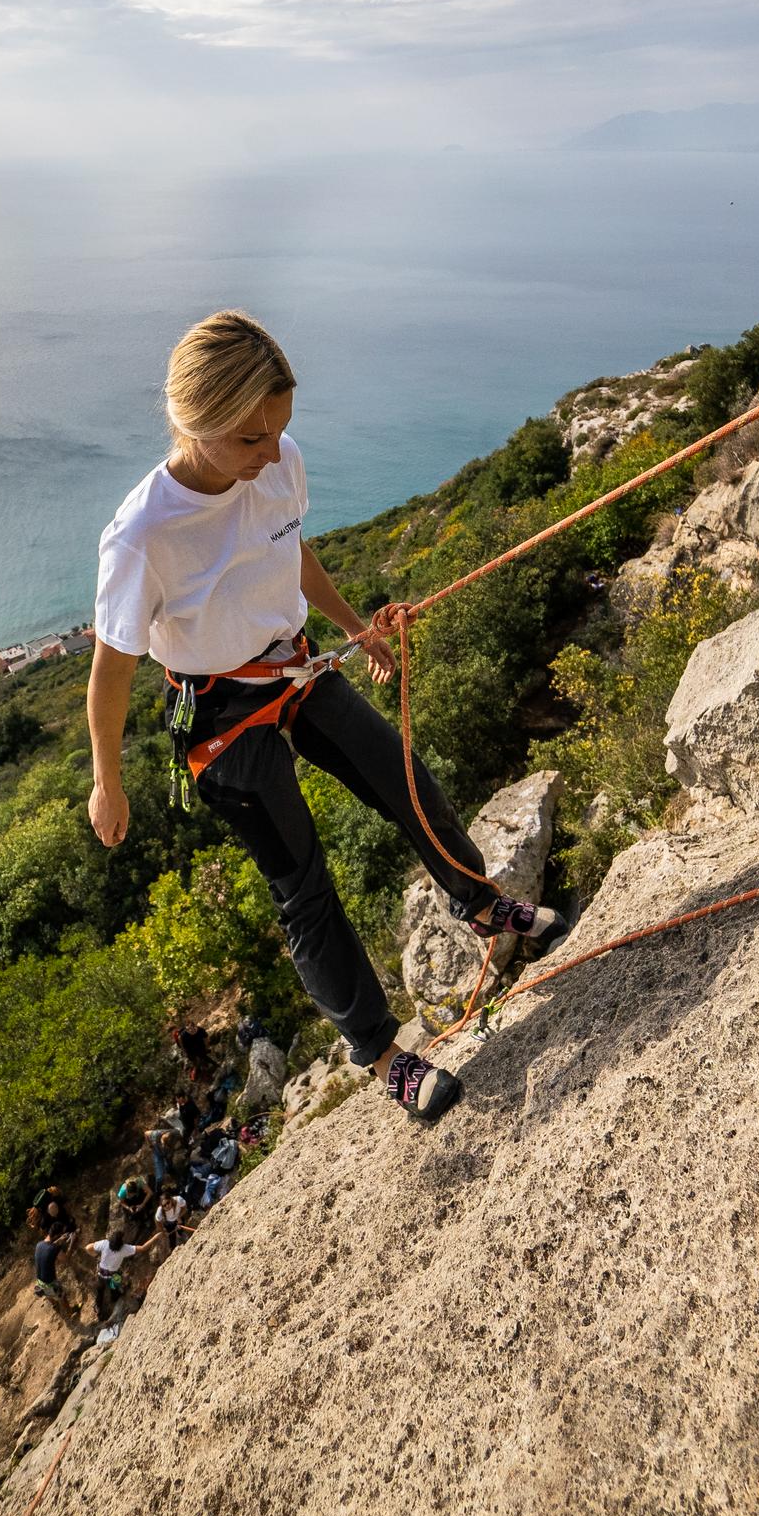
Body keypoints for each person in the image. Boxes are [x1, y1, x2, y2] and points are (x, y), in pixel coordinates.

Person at [88, 311, 566, 1126]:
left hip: (293, 664)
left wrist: (354, 628)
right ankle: (381, 1054)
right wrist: (108, 782)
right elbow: (111, 672)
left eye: (279, 429)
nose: (271, 451)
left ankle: (480, 901)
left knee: (402, 777)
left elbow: (291, 550)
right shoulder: (142, 535)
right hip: (220, 714)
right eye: (250, 438)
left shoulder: (279, 462)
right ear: (194, 421)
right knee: (303, 884)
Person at [85, 1222, 156, 1322]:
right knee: (114, 1286)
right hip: (114, 1274)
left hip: (102, 1273)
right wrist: (156, 1236)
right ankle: (115, 1297)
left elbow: (88, 1248)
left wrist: (96, 1256)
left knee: (100, 1291)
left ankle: (98, 1308)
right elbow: (143, 1247)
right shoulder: (124, 1249)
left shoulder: (105, 1244)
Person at [32, 1228, 69, 1313]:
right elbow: (66, 1259)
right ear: (56, 1235)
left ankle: (54, 1305)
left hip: (39, 1282)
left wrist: (59, 1240)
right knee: (62, 1296)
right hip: (50, 1283)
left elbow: (48, 1247)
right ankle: (70, 1312)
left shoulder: (39, 1244)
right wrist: (72, 1242)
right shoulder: (54, 1249)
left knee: (47, 1293)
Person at [116, 1173, 154, 1240]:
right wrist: (128, 1208)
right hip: (129, 1201)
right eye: (130, 1194)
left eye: (132, 1194)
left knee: (146, 1199)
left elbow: (150, 1192)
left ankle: (147, 1214)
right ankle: (138, 1220)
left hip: (139, 1196)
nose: (131, 1195)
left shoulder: (139, 1182)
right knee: (132, 1213)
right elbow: (121, 1202)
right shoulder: (123, 1191)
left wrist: (142, 1204)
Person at [155, 1182, 189, 1250]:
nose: (167, 1206)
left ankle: (182, 1235)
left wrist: (179, 1216)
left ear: (171, 1199)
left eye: (168, 1203)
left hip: (178, 1217)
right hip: (169, 1222)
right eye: (164, 1205)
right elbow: (157, 1221)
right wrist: (163, 1231)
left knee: (181, 1229)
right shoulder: (160, 1211)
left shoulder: (178, 1200)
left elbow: (185, 1208)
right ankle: (173, 1248)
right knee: (171, 1237)